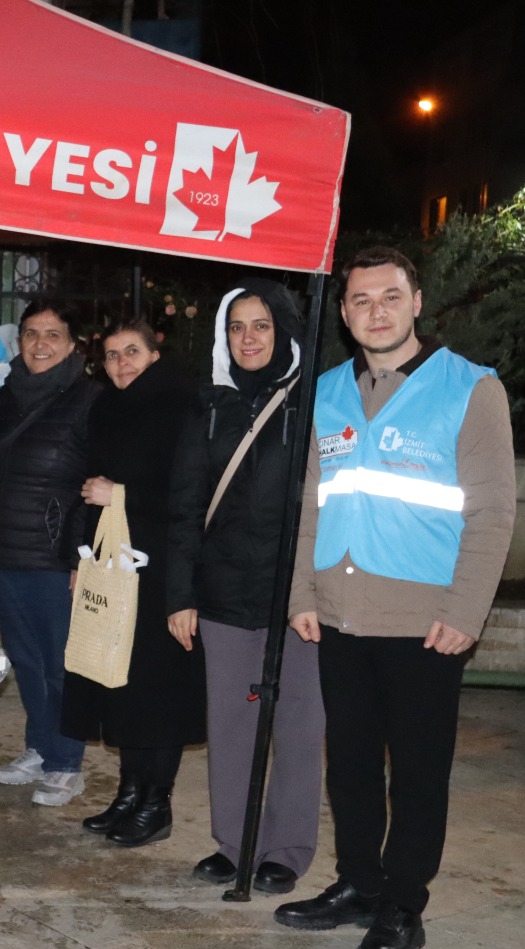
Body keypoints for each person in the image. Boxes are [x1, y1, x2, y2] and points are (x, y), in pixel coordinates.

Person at [277, 247, 515, 949]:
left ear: (416, 302)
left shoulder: (470, 389)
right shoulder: (326, 391)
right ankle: (357, 881)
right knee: (348, 763)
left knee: (416, 770)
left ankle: (403, 902)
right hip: (340, 613)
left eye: (388, 297)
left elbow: (494, 512)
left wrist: (466, 613)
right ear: (344, 314)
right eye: (358, 301)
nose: (373, 312)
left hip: (427, 623)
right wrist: (301, 593)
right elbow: (309, 505)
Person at [166, 283, 323, 892]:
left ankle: (285, 848)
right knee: (232, 726)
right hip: (224, 596)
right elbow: (184, 507)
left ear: (283, 332)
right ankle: (236, 843)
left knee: (300, 729)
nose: (249, 338)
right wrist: (181, 595)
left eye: (261, 325)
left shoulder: (311, 405)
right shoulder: (208, 408)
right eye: (237, 327)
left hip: (297, 601)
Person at [62, 321, 205, 846]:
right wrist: (80, 558)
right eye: (113, 355)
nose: (122, 363)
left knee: (155, 689)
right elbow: (88, 487)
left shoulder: (181, 406)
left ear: (155, 354)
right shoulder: (108, 407)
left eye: (133, 352)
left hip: (162, 567)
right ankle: (128, 790)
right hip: (114, 562)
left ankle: (156, 802)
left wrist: (119, 493)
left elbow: (190, 494)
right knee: (116, 680)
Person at [0, 299, 102, 806]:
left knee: (61, 665)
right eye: (31, 334)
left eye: (53, 334)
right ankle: (39, 748)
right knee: (27, 661)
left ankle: (68, 762)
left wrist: (80, 556)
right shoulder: (6, 396)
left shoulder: (90, 398)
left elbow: (97, 483)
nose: (40, 344)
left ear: (72, 344)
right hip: (9, 552)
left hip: (56, 559)